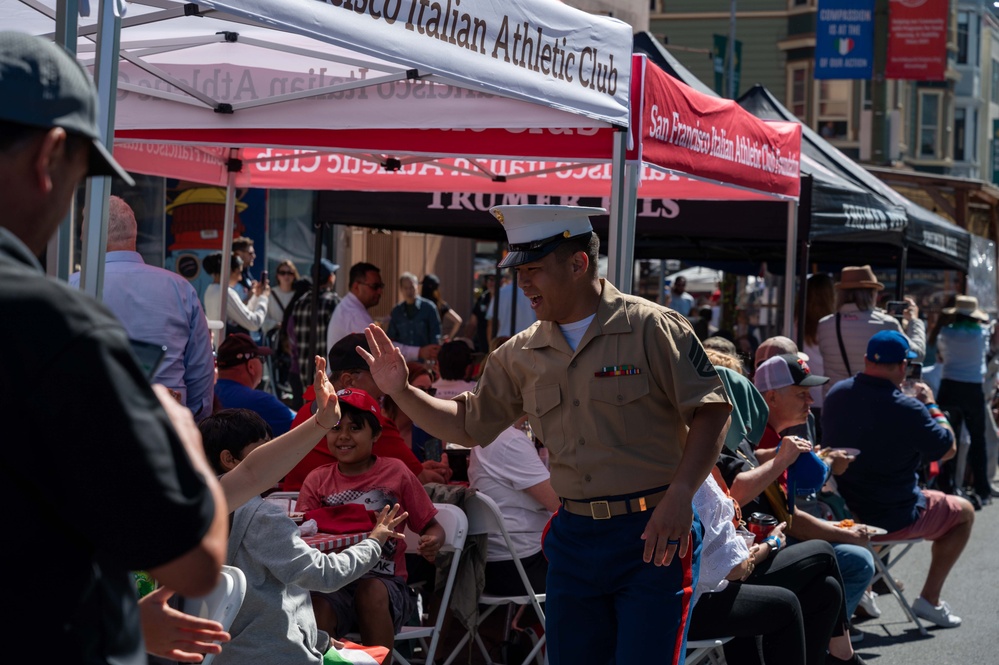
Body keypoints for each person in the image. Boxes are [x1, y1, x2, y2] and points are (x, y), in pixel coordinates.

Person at [359, 204, 732, 665]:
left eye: (533, 269)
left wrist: (681, 495)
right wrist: (404, 392)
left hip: (652, 531)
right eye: (519, 271)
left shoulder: (653, 327)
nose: (523, 284)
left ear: (578, 264)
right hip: (574, 538)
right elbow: (466, 424)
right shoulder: (519, 353)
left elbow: (712, 413)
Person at [0, 31, 228, 663]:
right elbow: (194, 561)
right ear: (49, 157)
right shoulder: (52, 325)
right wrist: (183, 437)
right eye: (80, 180)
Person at [199, 407, 408, 665]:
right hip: (278, 654)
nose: (280, 456)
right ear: (229, 459)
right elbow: (325, 575)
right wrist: (374, 542)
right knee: (370, 658)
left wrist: (319, 639)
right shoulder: (262, 516)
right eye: (266, 450)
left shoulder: (195, 511)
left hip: (221, 655)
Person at [824, 330, 975, 628]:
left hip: (844, 509)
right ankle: (929, 600)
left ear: (867, 360)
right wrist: (931, 404)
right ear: (904, 366)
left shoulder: (836, 393)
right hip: (892, 514)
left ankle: (865, 588)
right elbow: (948, 448)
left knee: (883, 491)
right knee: (965, 514)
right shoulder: (911, 408)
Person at [295, 388, 446, 657]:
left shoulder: (396, 472)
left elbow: (432, 526)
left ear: (376, 435)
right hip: (332, 584)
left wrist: (432, 541)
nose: (343, 436)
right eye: (335, 427)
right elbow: (302, 540)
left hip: (386, 585)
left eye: (355, 428)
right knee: (315, 606)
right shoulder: (317, 480)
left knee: (370, 590)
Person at [68, 195, 214, 419]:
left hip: (94, 420)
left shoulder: (74, 286)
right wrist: (192, 423)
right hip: (167, 422)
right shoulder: (180, 288)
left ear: (89, 238)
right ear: (133, 235)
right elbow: (201, 375)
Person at [282, 333, 452, 490]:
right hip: (328, 516)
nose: (386, 389)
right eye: (378, 375)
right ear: (349, 381)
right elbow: (423, 481)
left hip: (297, 512)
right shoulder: (370, 421)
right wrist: (440, 473)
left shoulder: (305, 411)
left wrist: (420, 468)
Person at [468, 415, 559, 596]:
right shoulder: (510, 440)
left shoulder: (489, 436)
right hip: (522, 565)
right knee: (598, 565)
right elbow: (558, 502)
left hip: (492, 564)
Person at [816, 265, 925, 395]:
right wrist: (915, 321)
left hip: (834, 403)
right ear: (871, 294)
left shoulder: (824, 324)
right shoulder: (886, 323)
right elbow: (918, 354)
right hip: (871, 403)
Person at [935, 295, 994, 505]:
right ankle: (982, 489)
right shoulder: (982, 334)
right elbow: (985, 353)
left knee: (948, 437)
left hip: (950, 386)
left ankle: (946, 485)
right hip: (972, 388)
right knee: (978, 440)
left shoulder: (945, 332)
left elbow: (941, 357)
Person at [326, 261, 438, 363]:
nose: (380, 292)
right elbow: (383, 347)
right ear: (356, 287)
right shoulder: (354, 314)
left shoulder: (349, 307)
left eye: (381, 286)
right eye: (375, 286)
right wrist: (419, 352)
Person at [214, 333, 296, 435]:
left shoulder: (208, 395)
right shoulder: (260, 402)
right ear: (251, 367)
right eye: (261, 359)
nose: (263, 363)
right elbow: (306, 426)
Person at [287, 259, 340, 403]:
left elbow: (292, 336)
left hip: (304, 370)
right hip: (327, 369)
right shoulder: (332, 301)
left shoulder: (300, 302)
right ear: (330, 278)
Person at [203, 251, 269, 337]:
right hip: (228, 346)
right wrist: (263, 298)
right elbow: (253, 323)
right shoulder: (225, 292)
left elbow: (242, 314)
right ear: (229, 270)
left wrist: (256, 297)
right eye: (239, 272)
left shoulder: (211, 289)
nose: (240, 277)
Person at [387, 271, 443, 349]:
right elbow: (391, 337)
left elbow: (436, 335)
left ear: (417, 287)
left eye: (411, 287)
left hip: (424, 358)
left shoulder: (429, 308)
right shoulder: (396, 311)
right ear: (401, 289)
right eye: (405, 288)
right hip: (403, 358)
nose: (409, 291)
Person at [489, 269, 537, 338]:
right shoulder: (534, 292)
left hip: (504, 341)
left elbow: (492, 324)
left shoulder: (501, 293)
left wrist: (492, 346)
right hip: (530, 338)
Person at [420, 273, 462, 340]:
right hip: (436, 343)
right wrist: (449, 338)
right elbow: (458, 321)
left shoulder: (418, 304)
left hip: (420, 344)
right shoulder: (440, 305)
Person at [265, 259, 300, 333]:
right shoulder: (270, 294)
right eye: (282, 273)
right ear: (277, 276)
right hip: (275, 338)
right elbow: (263, 320)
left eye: (290, 273)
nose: (286, 276)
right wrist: (277, 324)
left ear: (294, 275)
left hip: (293, 337)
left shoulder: (299, 295)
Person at [469, 273, 496, 353]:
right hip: (482, 343)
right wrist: (467, 339)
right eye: (490, 280)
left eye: (495, 280)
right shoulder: (482, 298)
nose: (492, 283)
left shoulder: (504, 298)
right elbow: (473, 322)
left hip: (498, 343)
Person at [231, 236, 257, 302]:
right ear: (238, 253)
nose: (254, 256)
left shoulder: (247, 275)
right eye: (250, 253)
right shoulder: (230, 278)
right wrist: (250, 296)